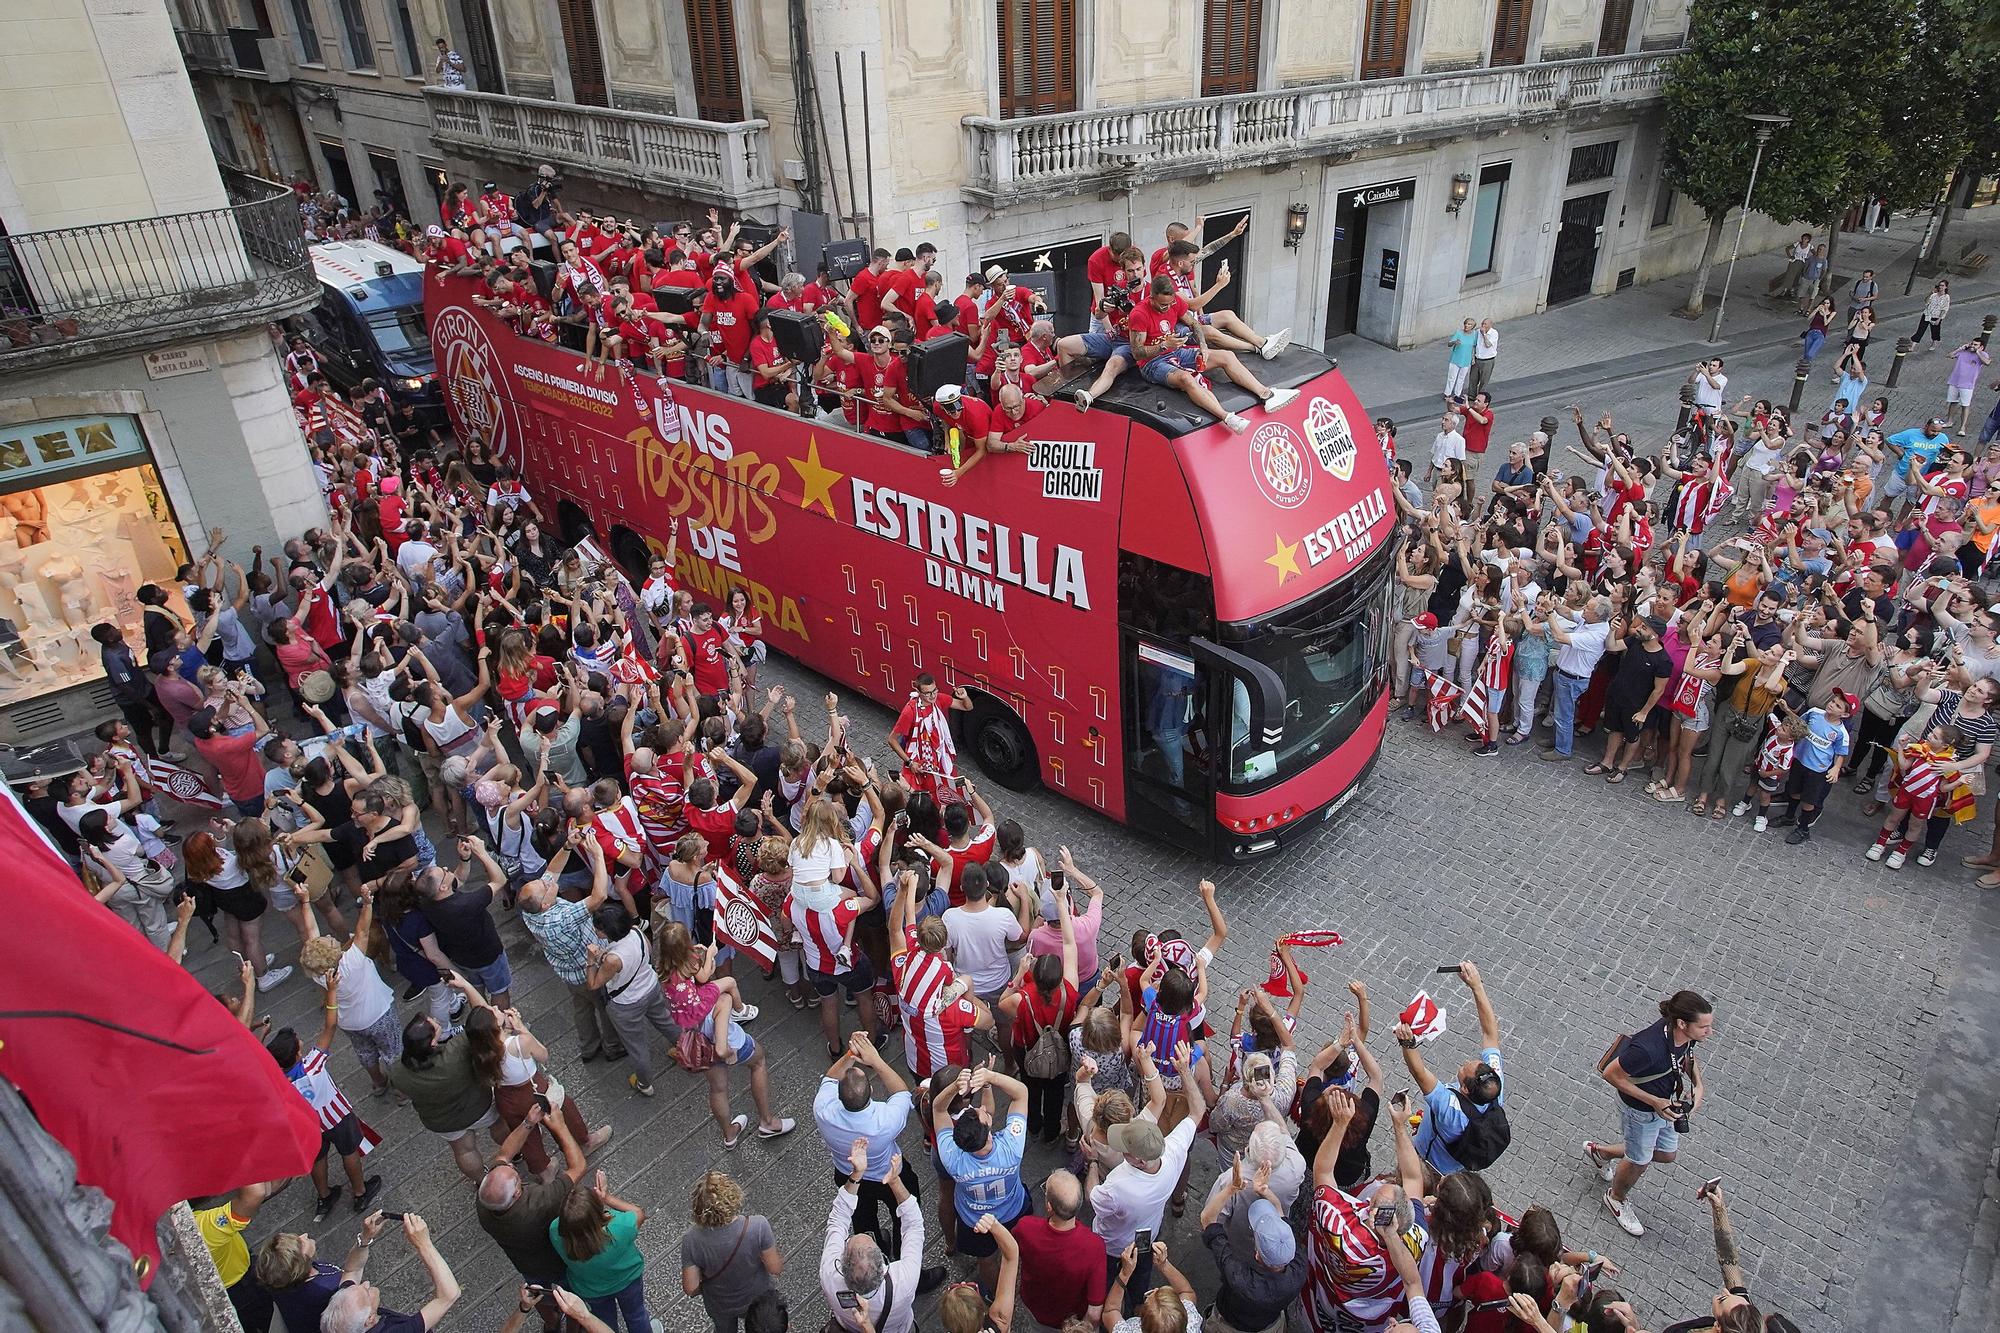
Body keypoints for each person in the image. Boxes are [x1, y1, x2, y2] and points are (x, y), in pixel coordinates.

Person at [1586, 990, 1715, 1237]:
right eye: (1704, 1027)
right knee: (1639, 1161)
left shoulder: (1684, 1034)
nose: (1709, 1032)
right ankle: (1616, 1198)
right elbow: (1611, 1074)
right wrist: (1654, 1101)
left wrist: (1698, 1085)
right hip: (1640, 1112)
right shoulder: (1647, 1048)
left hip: (1664, 1106)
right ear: (1682, 1023)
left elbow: (1687, 1057)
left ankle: (1600, 1153)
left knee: (1666, 1154)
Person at [1089, 1042, 1208, 1281]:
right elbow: (1198, 1111)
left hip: (1113, 1246)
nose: (1122, 1151)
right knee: (1141, 1275)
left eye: (1126, 1149)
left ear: (1140, 1160)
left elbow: (1093, 1197)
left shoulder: (1117, 1185)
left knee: (1110, 1279)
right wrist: (1184, 1071)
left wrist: (1092, 1163)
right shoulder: (1172, 1151)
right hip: (1148, 1234)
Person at [477, 1104, 592, 1332]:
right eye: (517, 1178)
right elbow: (578, 1167)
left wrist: (528, 1122)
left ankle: (550, 1323)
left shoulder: (486, 1202)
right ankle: (573, 1326)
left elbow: (502, 1155)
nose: (514, 1169)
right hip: (558, 1263)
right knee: (567, 1297)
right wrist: (559, 1126)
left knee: (536, 1291)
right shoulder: (539, 1203)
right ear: (518, 1193)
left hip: (526, 1263)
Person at [268, 996, 384, 1221]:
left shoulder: (275, 1081)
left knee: (317, 1158)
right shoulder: (312, 1064)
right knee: (349, 1151)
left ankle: (324, 1196)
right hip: (336, 1116)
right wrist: (332, 990)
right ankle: (360, 1192)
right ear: (298, 1054)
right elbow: (330, 1025)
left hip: (307, 1126)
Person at [1399, 958, 1505, 1173]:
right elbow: (1490, 1033)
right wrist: (1476, 986)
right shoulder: (1494, 1087)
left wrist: (1407, 1043)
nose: (1466, 1061)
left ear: (1465, 1089)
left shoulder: (1450, 1111)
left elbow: (1419, 1072)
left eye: (1467, 1066)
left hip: (1427, 1166)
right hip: (1455, 1168)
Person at [932, 1065, 1033, 1288]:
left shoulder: (952, 1158)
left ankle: (994, 1292)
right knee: (1015, 1246)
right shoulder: (1012, 1148)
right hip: (1012, 1210)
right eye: (984, 1114)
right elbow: (1021, 1093)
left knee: (986, 1260)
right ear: (988, 1135)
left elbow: (938, 1110)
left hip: (974, 1220)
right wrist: (991, 1077)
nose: (984, 1109)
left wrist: (953, 1088)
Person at [821, 1139, 926, 1333]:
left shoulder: (829, 1274)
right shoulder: (905, 1279)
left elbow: (837, 1220)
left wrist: (856, 1174)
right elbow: (914, 1226)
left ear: (842, 1264)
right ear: (884, 1265)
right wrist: (895, 1182)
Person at [388, 1005, 498, 1183]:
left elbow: (403, 1093)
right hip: (478, 1106)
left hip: (442, 1121)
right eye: (434, 1025)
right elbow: (478, 1026)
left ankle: (481, 1180)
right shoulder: (455, 1052)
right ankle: (515, 1153)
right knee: (498, 1126)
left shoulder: (398, 1071)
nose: (437, 1021)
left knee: (464, 1150)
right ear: (432, 1043)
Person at [1200, 1156, 1308, 1333]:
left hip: (1229, 1325)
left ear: (1257, 1255)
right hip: (1271, 1325)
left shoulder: (1238, 1277)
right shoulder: (1299, 1267)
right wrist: (1264, 1191)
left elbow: (1207, 1220)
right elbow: (1280, 1212)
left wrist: (1231, 1188)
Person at [318, 1213, 461, 1333]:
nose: (366, 1283)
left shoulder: (345, 1311)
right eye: (366, 1293)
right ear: (370, 1320)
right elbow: (449, 1295)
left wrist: (365, 1237)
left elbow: (351, 1270)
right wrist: (423, 1244)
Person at [553, 1170, 657, 1332]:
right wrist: (606, 1197)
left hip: (590, 1289)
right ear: (597, 1214)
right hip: (628, 1281)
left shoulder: (555, 1231)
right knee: (636, 1316)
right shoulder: (619, 1228)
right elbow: (639, 1213)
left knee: (604, 1323)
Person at [253, 1211, 391, 1333]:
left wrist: (364, 1238)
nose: (304, 1235)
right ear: (300, 1264)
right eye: (300, 1244)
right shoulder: (326, 1290)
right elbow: (352, 1271)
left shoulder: (277, 1279)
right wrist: (365, 1237)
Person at [679, 1171, 783, 1333]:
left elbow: (690, 1287)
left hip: (721, 1304)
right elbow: (775, 1268)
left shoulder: (692, 1240)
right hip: (758, 1298)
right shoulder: (758, 1226)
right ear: (732, 1196)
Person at [1013, 1169, 1107, 1328]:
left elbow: (1009, 1252)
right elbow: (1094, 1313)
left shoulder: (1025, 1227)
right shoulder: (1094, 1246)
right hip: (1071, 1320)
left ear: (1049, 1207)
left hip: (1036, 1309)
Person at [195, 1181, 276, 1332]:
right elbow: (254, 1194)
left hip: (224, 1291)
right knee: (267, 1320)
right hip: (242, 1287)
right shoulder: (202, 1228)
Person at [1444, 318, 1477, 399]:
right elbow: (1449, 344)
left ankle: (1457, 394)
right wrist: (1454, 342)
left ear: (1472, 327)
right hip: (1456, 358)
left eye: (1469, 324)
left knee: (1461, 378)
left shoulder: (1474, 334)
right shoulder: (1459, 333)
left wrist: (1473, 358)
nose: (1466, 325)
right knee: (1452, 377)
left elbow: (1474, 346)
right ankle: (1447, 394)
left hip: (1466, 360)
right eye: (1466, 323)